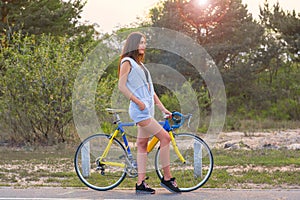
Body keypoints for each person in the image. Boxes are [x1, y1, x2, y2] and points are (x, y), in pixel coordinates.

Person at [118, 32, 181, 194]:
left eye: (145, 42)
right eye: (140, 43)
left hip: (147, 109)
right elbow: (121, 86)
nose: (143, 45)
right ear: (133, 44)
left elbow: (150, 90)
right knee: (165, 137)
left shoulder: (141, 66)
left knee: (142, 145)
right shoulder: (127, 62)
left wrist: (162, 108)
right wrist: (138, 102)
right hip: (140, 111)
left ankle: (140, 184)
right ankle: (167, 178)